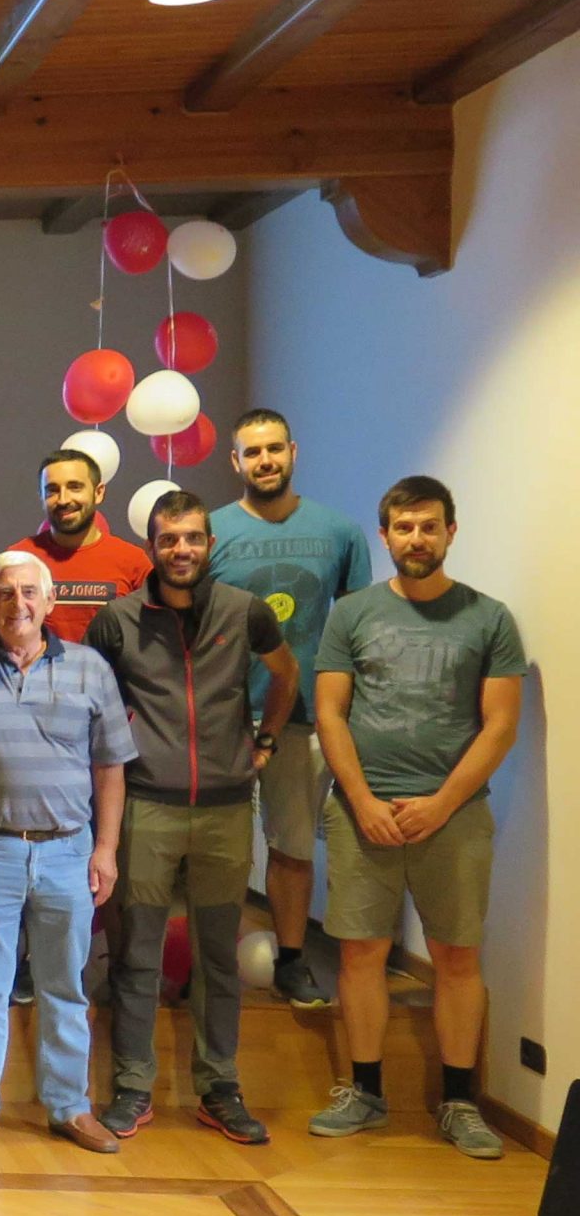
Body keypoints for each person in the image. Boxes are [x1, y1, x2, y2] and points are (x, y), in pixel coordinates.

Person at [309, 476, 525, 1160]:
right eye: (403, 528)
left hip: (454, 817)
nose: (416, 539)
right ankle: (364, 1092)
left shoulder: (489, 619)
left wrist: (440, 804)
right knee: (361, 951)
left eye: (429, 526)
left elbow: (499, 728)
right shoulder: (352, 614)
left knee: (457, 957)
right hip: (361, 812)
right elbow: (331, 715)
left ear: (451, 531)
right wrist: (365, 802)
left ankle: (460, 1102)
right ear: (386, 536)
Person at [86, 490, 296, 1146]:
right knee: (139, 954)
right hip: (149, 805)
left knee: (218, 958)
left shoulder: (245, 613)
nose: (182, 550)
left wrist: (265, 743)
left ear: (210, 545)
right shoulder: (118, 620)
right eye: (170, 539)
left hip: (228, 810)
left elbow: (286, 676)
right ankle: (131, 1088)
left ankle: (220, 1088)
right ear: (152, 546)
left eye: (194, 538)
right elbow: (91, 702)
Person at [0, 550, 136, 1152]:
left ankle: (69, 1106)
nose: (18, 604)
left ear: (50, 601)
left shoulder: (91, 669)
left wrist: (107, 849)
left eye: (29, 593)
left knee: (65, 987)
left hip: (69, 853)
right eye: (5, 594)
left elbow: (110, 767)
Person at [206, 409, 375, 1010]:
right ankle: (209, 963)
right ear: (236, 461)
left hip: (303, 717)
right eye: (253, 452)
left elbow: (359, 632)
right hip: (220, 716)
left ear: (293, 452)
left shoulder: (341, 533)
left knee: (293, 845)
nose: (265, 461)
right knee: (215, 851)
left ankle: (294, 960)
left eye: (275, 449)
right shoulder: (211, 530)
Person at [9, 449, 152, 644]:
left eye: (75, 487)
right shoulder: (18, 559)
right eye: (52, 490)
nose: (64, 499)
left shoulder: (133, 561)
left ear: (98, 492)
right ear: (41, 497)